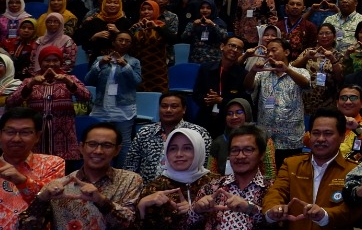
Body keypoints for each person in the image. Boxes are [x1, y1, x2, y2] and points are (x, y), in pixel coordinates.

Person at [10, 45, 91, 162]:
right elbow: (11, 102)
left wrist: (68, 82)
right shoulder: (30, 80)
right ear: (40, 62)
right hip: (37, 138)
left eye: (55, 60)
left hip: (64, 140)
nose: (51, 64)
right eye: (47, 60)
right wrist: (30, 85)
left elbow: (86, 97)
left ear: (61, 62)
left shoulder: (69, 78)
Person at [125, 92, 213, 183]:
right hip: (147, 191)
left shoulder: (199, 133)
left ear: (184, 109)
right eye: (164, 106)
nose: (168, 110)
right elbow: (130, 166)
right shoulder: (145, 132)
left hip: (187, 189)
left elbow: (204, 166)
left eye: (174, 106)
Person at [248, 38, 310, 165]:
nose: (269, 54)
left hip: (291, 138)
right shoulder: (262, 73)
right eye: (267, 52)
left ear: (286, 52)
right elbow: (248, 87)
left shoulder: (300, 71)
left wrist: (287, 70)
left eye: (274, 50)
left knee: (290, 177)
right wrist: (253, 71)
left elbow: (305, 84)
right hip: (266, 138)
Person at [85, 31, 142, 167]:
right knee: (99, 140)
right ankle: (98, 168)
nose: (123, 43)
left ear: (130, 44)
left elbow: (137, 81)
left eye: (127, 41)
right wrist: (99, 65)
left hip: (123, 108)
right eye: (120, 40)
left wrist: (125, 66)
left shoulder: (133, 62)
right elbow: (88, 80)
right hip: (101, 107)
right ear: (113, 42)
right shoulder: (100, 59)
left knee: (124, 143)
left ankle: (123, 172)